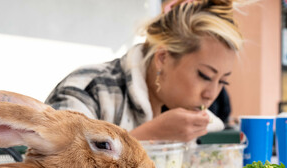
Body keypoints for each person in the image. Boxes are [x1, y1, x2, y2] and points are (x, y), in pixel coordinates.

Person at [45, 0, 248, 142]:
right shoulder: (87, 90)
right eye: (204, 76)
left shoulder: (181, 110)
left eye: (223, 81)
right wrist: (152, 136)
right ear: (162, 58)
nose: (211, 94)